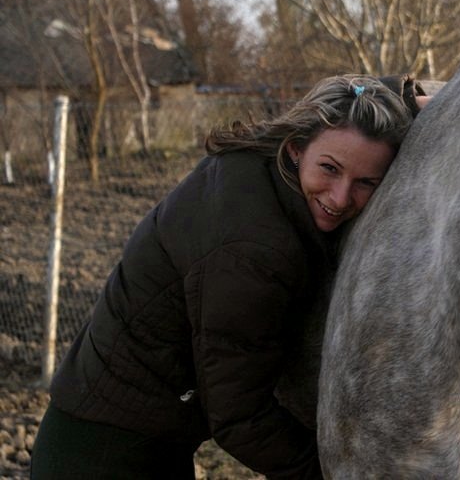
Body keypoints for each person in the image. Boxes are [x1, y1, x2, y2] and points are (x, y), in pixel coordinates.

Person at [31, 74, 428, 479]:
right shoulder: (253, 251)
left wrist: (408, 99)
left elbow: (353, 98)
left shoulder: (262, 164)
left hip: (129, 430)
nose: (341, 197)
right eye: (330, 169)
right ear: (295, 149)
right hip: (102, 457)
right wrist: (329, 475)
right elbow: (238, 414)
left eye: (366, 183)